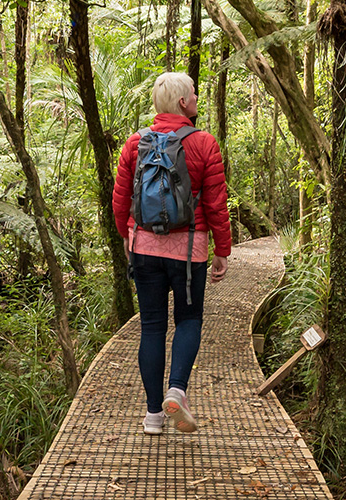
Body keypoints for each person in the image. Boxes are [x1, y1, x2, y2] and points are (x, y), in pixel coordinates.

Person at [112, 72, 230, 435]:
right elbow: (215, 203)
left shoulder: (134, 144)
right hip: (189, 250)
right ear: (183, 103)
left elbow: (120, 203)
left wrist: (131, 240)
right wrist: (222, 250)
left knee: (151, 326)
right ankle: (176, 389)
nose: (197, 97)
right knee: (189, 320)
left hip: (144, 248)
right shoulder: (204, 143)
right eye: (194, 93)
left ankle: (152, 417)